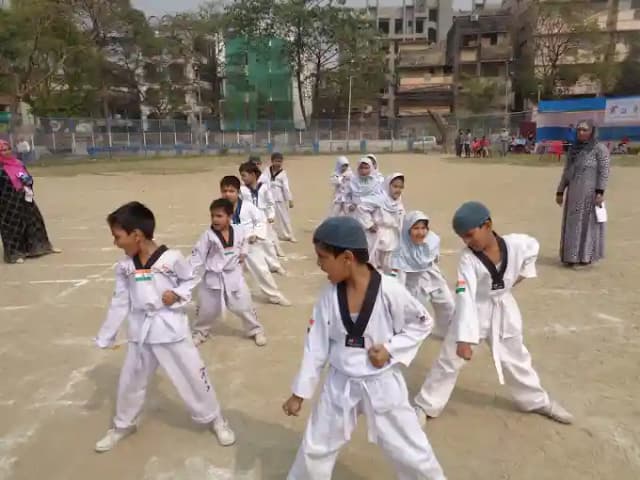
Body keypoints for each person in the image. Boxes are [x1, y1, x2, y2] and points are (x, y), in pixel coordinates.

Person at [282, 216, 447, 480]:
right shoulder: (328, 296)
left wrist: (391, 349)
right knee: (315, 449)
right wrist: (299, 393)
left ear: (347, 258)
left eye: (323, 257)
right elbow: (316, 345)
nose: (319, 264)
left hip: (382, 382)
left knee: (411, 451)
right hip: (340, 382)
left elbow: (422, 322)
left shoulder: (389, 290)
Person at [413, 201, 573, 426]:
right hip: (474, 310)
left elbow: (533, 248)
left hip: (503, 308)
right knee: (449, 360)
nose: (467, 242)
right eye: (462, 238)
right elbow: (465, 297)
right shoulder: (468, 259)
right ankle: (426, 404)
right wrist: (464, 339)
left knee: (516, 357)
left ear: (487, 225)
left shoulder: (517, 244)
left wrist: (518, 277)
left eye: (470, 235)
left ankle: (536, 401)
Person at [94, 201, 235, 452]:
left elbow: (190, 278)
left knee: (193, 376)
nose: (115, 243)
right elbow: (120, 301)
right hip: (141, 331)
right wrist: (107, 335)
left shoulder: (172, 258)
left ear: (137, 235)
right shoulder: (125, 266)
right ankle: (122, 424)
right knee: (130, 381)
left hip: (171, 329)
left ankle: (216, 419)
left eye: (118, 237)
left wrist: (177, 294)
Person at [190, 198, 267, 347]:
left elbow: (245, 241)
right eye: (212, 216)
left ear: (230, 216)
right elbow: (197, 257)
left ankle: (255, 330)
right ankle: (200, 332)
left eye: (219, 216)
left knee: (244, 306)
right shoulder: (208, 236)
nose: (215, 219)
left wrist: (244, 252)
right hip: (213, 277)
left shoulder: (239, 230)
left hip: (233, 275)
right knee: (207, 309)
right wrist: (188, 271)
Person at [220, 175, 291, 306]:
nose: (227, 194)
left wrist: (256, 234)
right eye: (224, 191)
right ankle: (227, 296)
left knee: (262, 271)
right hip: (231, 246)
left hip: (249, 244)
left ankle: (274, 295)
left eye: (231, 191)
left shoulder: (248, 206)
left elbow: (261, 221)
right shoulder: (220, 209)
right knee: (226, 272)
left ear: (238, 192)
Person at [391, 211, 454, 339]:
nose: (420, 233)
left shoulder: (433, 240)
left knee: (448, 305)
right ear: (408, 229)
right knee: (415, 315)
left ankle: (446, 334)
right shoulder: (399, 247)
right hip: (413, 283)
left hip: (432, 277)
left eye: (423, 228)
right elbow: (398, 274)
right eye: (416, 228)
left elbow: (434, 260)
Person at [556, 120, 610, 267]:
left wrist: (600, 192)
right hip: (573, 194)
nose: (581, 132)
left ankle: (585, 257)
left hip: (590, 195)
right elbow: (567, 172)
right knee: (572, 225)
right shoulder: (573, 149)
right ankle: (570, 256)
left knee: (587, 225)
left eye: (585, 130)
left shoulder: (599, 149)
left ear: (592, 131)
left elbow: (604, 172)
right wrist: (560, 191)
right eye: (579, 129)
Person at [0, 139, 60, 264]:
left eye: (8, 149)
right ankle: (15, 254)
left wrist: (28, 181)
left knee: (35, 221)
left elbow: (25, 175)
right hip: (7, 202)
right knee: (13, 226)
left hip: (24, 197)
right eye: (3, 150)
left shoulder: (18, 163)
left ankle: (41, 247)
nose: (6, 152)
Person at [239, 161, 286, 264]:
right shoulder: (242, 190)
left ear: (253, 174)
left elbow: (270, 203)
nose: (242, 178)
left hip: (263, 218)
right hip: (249, 220)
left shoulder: (264, 187)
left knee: (267, 243)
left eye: (244, 175)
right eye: (241, 176)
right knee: (249, 243)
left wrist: (271, 215)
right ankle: (253, 264)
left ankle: (274, 265)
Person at [360, 172, 405, 273]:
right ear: (388, 185)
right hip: (377, 235)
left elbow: (401, 219)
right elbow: (362, 207)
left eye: (401, 187)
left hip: (392, 237)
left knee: (389, 266)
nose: (398, 190)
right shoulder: (379, 199)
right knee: (373, 263)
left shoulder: (398, 203)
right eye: (395, 186)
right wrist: (369, 224)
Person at [266, 152, 297, 243]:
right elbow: (262, 181)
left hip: (279, 198)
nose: (278, 163)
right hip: (269, 198)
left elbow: (286, 187)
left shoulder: (283, 173)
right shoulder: (267, 171)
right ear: (272, 161)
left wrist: (290, 199)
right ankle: (269, 236)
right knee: (269, 217)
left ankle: (289, 235)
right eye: (276, 161)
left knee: (284, 217)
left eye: (280, 161)